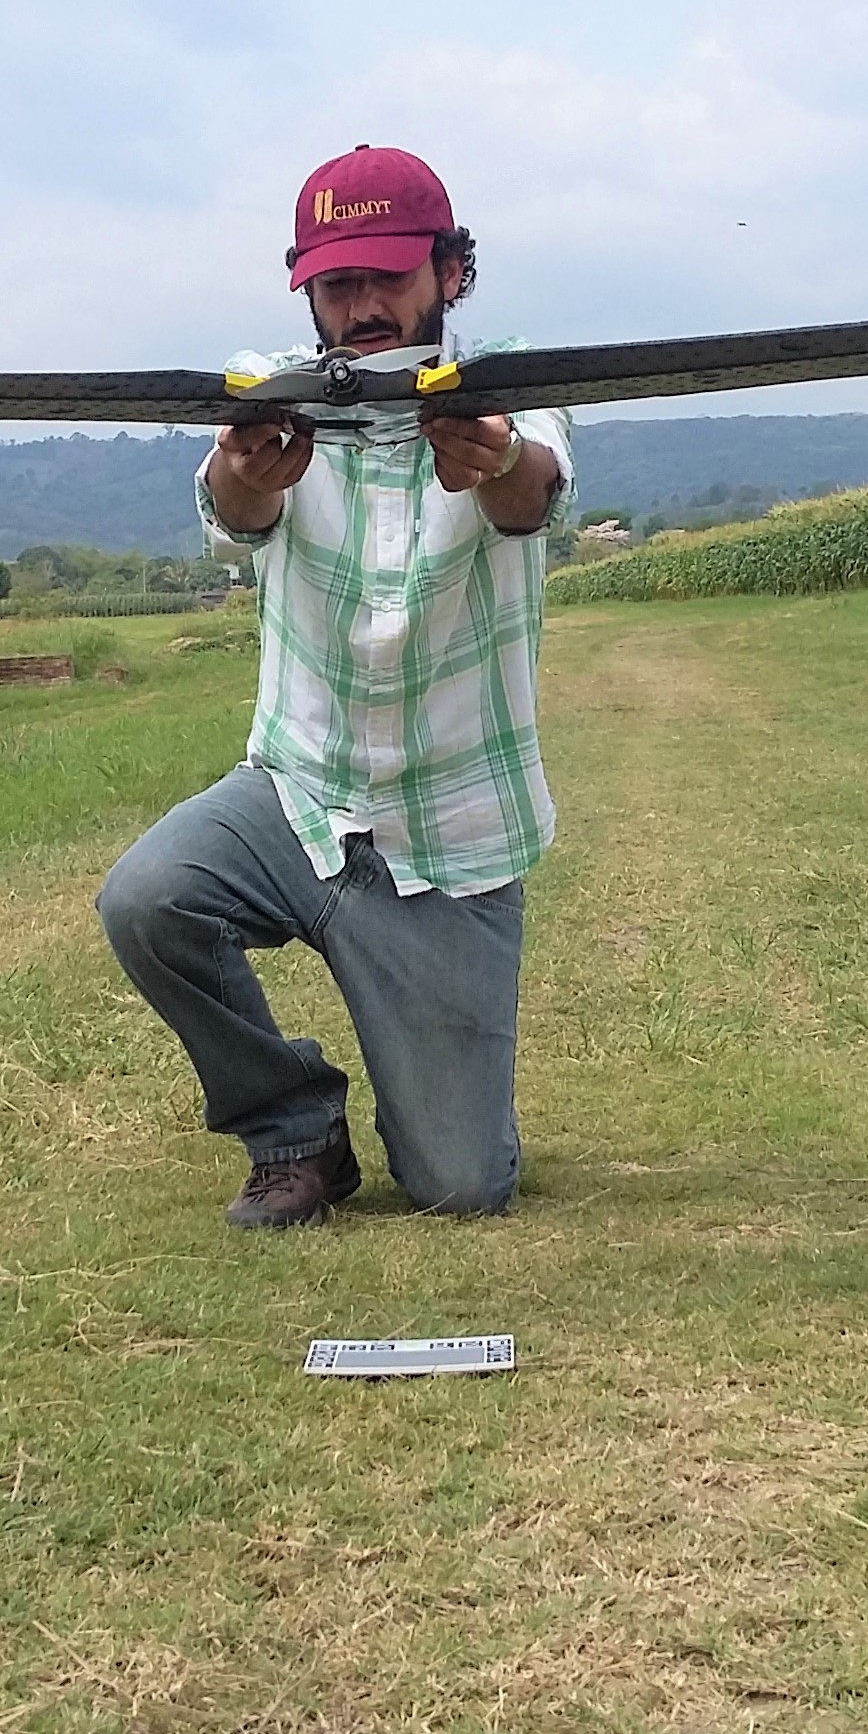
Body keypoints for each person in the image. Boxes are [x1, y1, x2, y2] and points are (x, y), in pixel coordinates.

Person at [95, 146, 572, 1227]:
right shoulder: (271, 390)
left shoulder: (511, 386)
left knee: (460, 1187)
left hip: (450, 834)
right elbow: (234, 512)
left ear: (450, 272)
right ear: (305, 287)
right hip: (297, 796)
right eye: (336, 284)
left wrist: (493, 462)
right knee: (147, 898)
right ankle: (294, 1127)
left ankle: (422, 1093)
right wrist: (242, 473)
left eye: (388, 279)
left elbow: (533, 493)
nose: (361, 308)